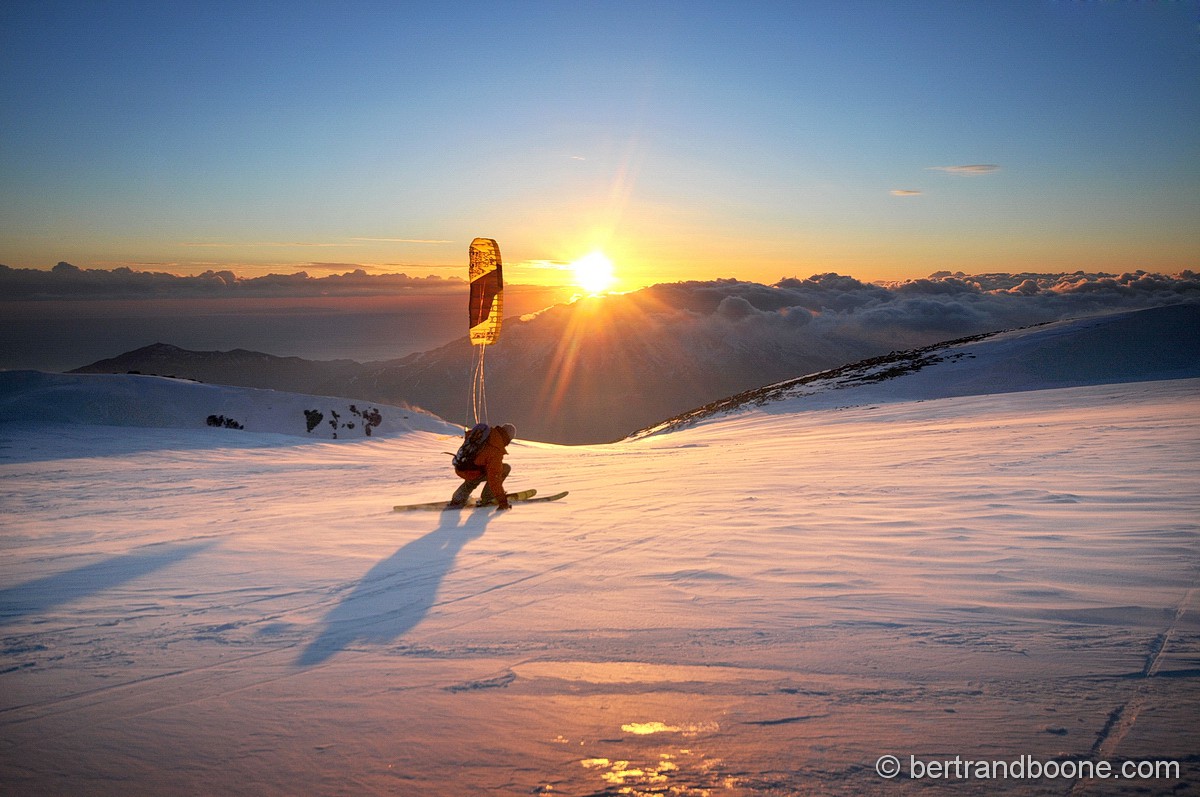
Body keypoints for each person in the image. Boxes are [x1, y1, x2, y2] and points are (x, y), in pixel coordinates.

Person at [449, 423, 516, 510]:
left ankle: (458, 498)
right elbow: (494, 478)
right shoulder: (496, 448)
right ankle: (488, 497)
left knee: (475, 475)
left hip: (461, 467)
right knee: (505, 468)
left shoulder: (485, 434)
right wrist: (502, 501)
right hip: (472, 472)